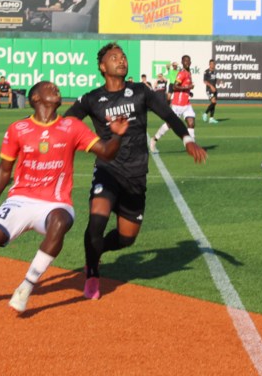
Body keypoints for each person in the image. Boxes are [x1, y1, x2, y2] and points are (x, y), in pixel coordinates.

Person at [0, 81, 129, 317]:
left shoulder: (72, 126)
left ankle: (26, 287)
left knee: (60, 222)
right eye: (49, 87)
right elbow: (4, 170)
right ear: (36, 98)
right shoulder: (18, 129)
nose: (56, 89)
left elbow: (107, 152)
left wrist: (117, 135)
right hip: (20, 200)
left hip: (55, 202)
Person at [64, 43, 207, 300]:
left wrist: (187, 139)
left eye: (123, 57)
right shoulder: (91, 99)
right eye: (114, 57)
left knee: (126, 238)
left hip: (136, 174)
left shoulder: (141, 92)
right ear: (102, 66)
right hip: (107, 169)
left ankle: (96, 251)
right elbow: (67, 124)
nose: (121, 60)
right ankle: (93, 274)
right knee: (97, 219)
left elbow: (169, 114)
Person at [149, 55, 197, 152]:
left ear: (190, 62)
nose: (187, 62)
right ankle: (154, 139)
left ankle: (192, 145)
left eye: (188, 61)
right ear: (182, 63)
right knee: (170, 124)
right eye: (185, 61)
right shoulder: (182, 73)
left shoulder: (189, 73)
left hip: (186, 104)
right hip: (178, 104)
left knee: (191, 123)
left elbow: (184, 87)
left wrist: (189, 92)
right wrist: (188, 88)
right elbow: (175, 87)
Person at [203, 59, 219, 124]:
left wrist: (219, 81)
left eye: (214, 64)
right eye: (212, 64)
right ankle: (205, 113)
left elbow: (215, 80)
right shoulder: (206, 71)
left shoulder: (215, 72)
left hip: (214, 89)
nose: (213, 65)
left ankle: (211, 118)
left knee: (214, 103)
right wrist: (211, 86)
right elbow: (205, 81)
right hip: (209, 89)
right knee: (213, 101)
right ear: (209, 64)